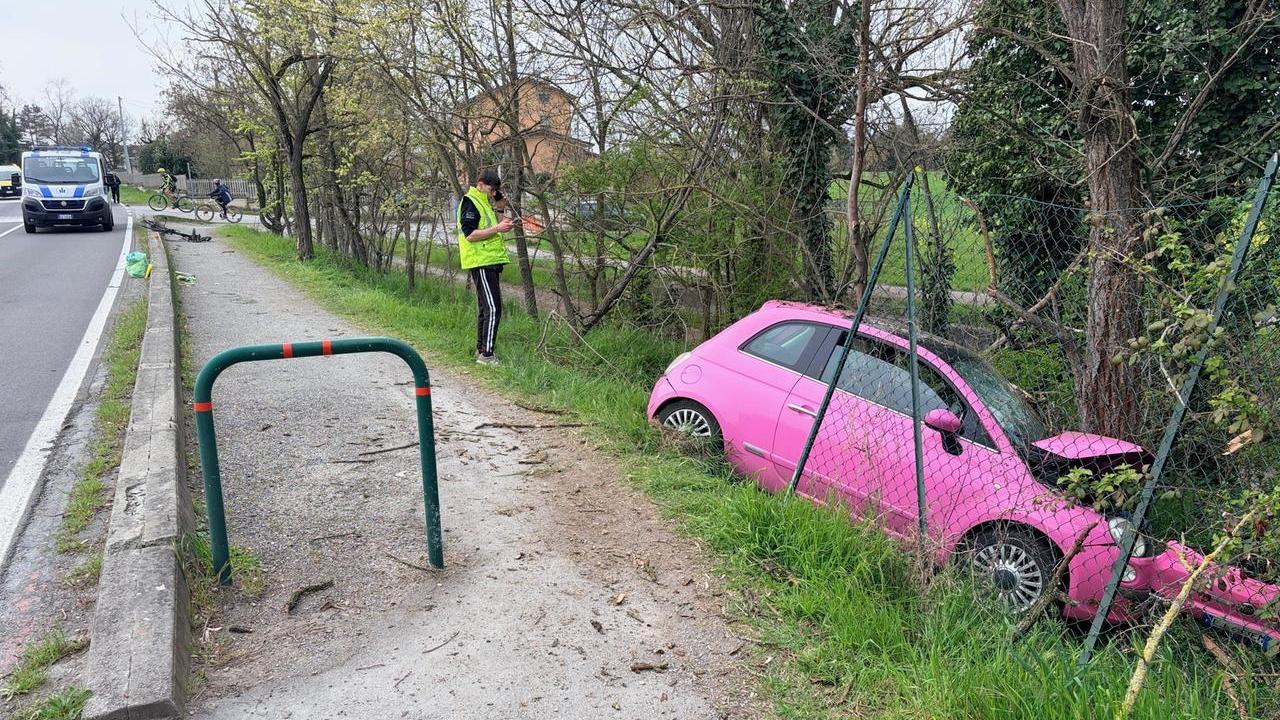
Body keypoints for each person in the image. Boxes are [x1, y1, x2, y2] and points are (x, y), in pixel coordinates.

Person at [457, 169, 514, 365]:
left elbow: (495, 228)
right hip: (480, 260)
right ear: (480, 184)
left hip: (490, 260)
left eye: (495, 191)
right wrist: (498, 228)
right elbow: (470, 234)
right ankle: (487, 355)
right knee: (493, 307)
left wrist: (499, 209)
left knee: (485, 308)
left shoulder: (484, 203)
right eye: (491, 189)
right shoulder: (470, 202)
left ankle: (481, 349)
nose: (493, 193)